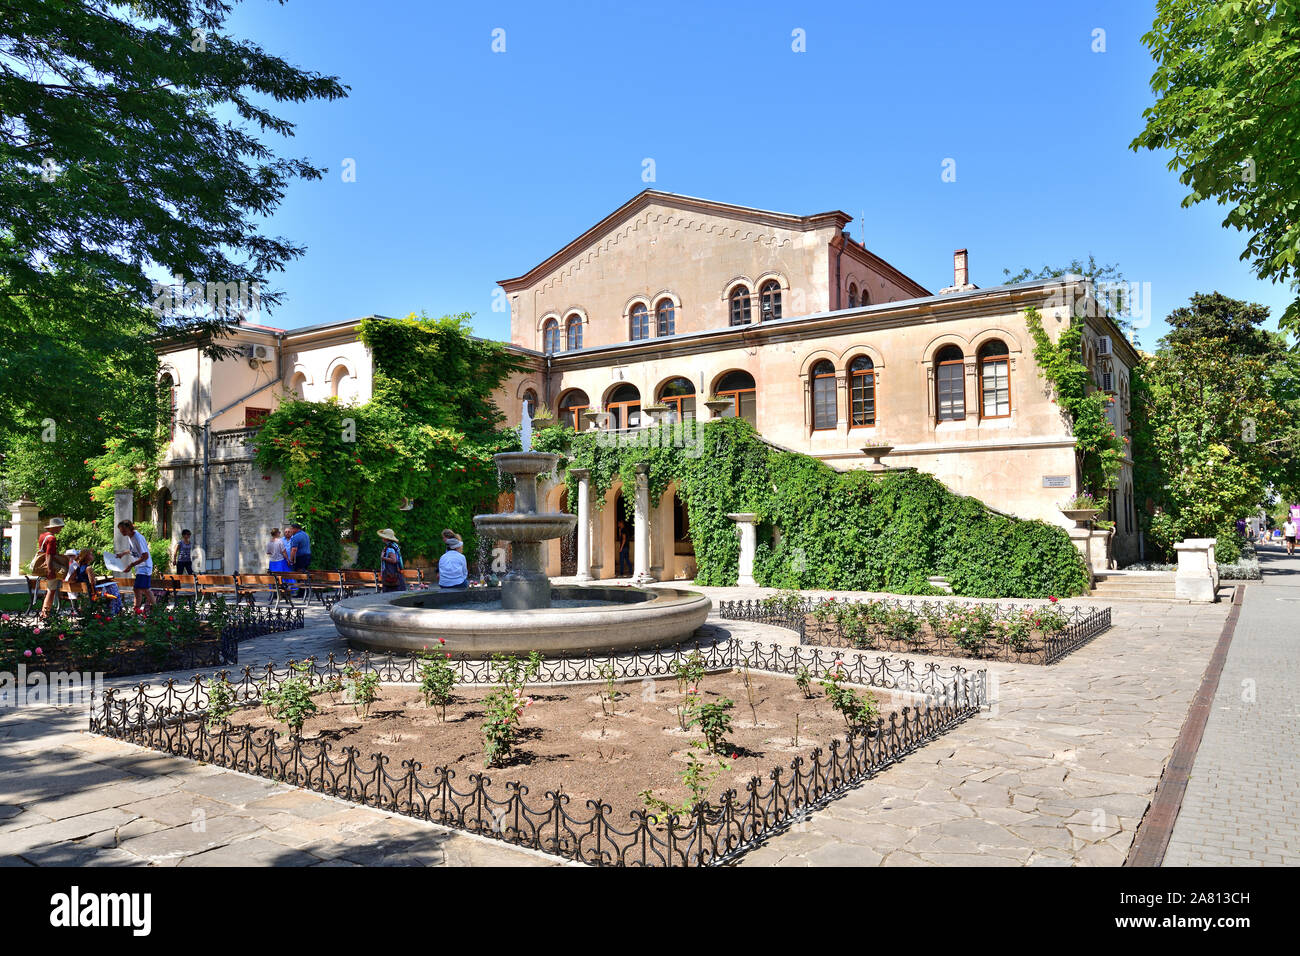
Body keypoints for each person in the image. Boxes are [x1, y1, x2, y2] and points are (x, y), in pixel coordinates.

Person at [114, 520, 156, 612]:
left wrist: (131, 565)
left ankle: (137, 610)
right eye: (121, 531)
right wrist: (123, 554)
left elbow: (145, 556)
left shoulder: (137, 538)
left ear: (130, 528)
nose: (122, 532)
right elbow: (133, 550)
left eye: (124, 530)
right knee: (144, 589)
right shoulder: (130, 536)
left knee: (138, 589)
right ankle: (151, 609)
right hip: (141, 567)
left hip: (144, 566)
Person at [67, 548, 122, 616]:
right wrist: (94, 591)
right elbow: (92, 582)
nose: (92, 555)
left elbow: (70, 580)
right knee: (113, 587)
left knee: (110, 587)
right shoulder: (88, 568)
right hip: (91, 592)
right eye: (90, 554)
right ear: (86, 556)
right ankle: (114, 611)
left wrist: (79, 580)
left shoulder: (78, 567)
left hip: (83, 592)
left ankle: (113, 610)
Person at [35, 518, 70, 619]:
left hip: (43, 564)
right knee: (51, 590)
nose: (61, 529)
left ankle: (45, 611)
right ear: (54, 527)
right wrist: (50, 569)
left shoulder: (43, 536)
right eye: (60, 527)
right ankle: (46, 613)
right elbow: (49, 554)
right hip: (50, 566)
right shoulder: (52, 539)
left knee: (50, 589)